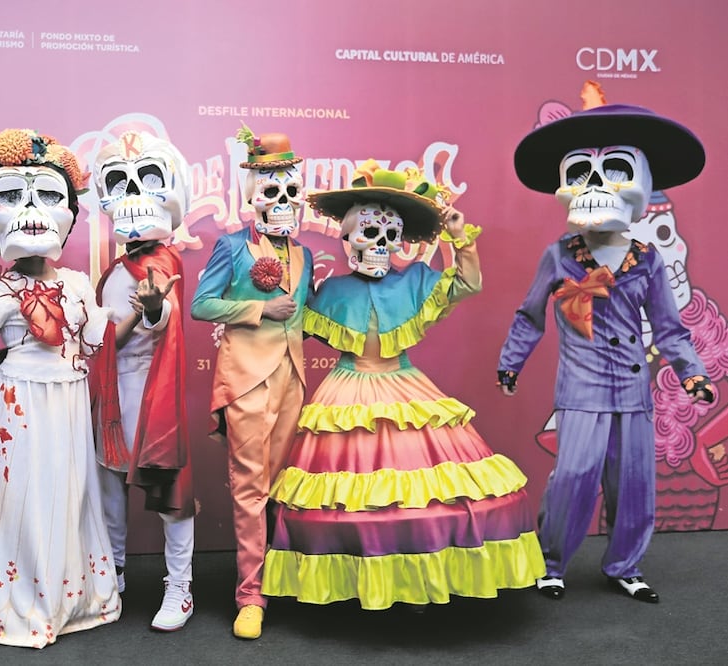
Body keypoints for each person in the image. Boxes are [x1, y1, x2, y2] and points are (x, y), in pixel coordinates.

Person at [263, 161, 544, 610]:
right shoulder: (331, 292)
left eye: (390, 236)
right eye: (369, 233)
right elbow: (284, 328)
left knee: (427, 491)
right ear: (348, 238)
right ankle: (356, 580)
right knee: (344, 496)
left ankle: (422, 575)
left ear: (400, 243)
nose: (380, 245)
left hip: (404, 384)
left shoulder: (414, 281)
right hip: (347, 389)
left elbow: (468, 283)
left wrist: (458, 237)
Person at [499, 103, 714, 602]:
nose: (596, 187)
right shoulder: (560, 255)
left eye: (614, 171)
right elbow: (530, 314)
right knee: (573, 476)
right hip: (582, 388)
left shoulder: (649, 260)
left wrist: (692, 374)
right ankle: (551, 563)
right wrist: (511, 360)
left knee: (634, 483)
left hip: (633, 391)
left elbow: (669, 327)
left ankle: (625, 564)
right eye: (582, 174)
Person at [0, 128, 120, 648]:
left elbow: (99, 339)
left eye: (46, 195)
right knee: (21, 498)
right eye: (9, 197)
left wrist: (152, 313)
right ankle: (21, 608)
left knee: (71, 491)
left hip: (67, 397)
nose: (30, 210)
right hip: (18, 400)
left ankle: (77, 600)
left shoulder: (77, 285)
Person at [190, 127, 314, 639]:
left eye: (289, 190)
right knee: (250, 489)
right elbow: (201, 305)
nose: (282, 200)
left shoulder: (304, 255)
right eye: (272, 190)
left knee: (285, 487)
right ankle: (250, 595)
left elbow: (305, 316)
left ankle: (284, 582)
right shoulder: (232, 247)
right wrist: (259, 307)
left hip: (292, 379)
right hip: (246, 380)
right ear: (252, 195)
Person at [91, 131, 197, 631]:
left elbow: (165, 315)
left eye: (147, 180)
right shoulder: (115, 268)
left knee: (169, 492)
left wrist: (152, 309)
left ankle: (180, 588)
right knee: (109, 488)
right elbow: (102, 336)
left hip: (151, 393)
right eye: (120, 183)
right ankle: (113, 576)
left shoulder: (163, 262)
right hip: (110, 394)